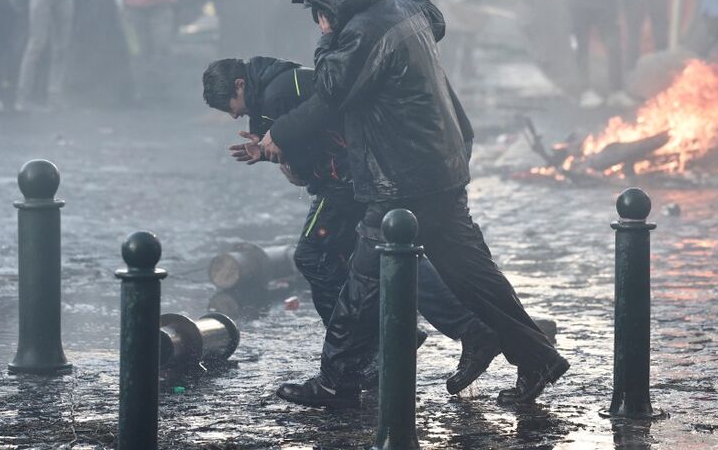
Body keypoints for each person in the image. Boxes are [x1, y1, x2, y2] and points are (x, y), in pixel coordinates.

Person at [269, 0, 568, 408]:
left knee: (363, 284)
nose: (318, 18)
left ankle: (335, 382)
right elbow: (435, 15)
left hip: (402, 179)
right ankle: (537, 356)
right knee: (474, 276)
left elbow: (330, 90)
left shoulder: (360, 34)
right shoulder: (404, 10)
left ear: (332, 0)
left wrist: (328, 41)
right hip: (439, 167)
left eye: (317, 8)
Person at [201, 56, 500, 392]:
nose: (233, 115)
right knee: (388, 259)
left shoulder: (279, 91)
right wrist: (272, 151)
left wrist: (281, 148)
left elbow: (328, 116)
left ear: (240, 85)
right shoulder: (278, 90)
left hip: (348, 181)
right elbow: (310, 144)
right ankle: (455, 332)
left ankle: (364, 353)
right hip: (357, 176)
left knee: (313, 256)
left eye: (230, 104)